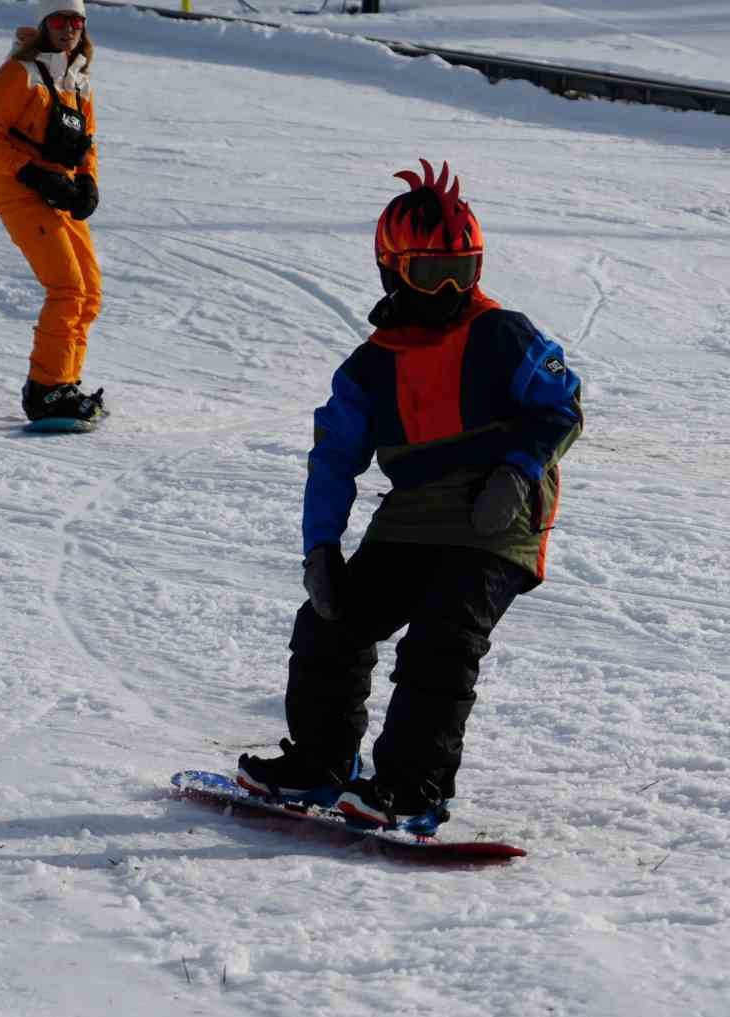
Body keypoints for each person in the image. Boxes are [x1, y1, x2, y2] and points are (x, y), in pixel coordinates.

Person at [237, 160, 584, 834]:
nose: (451, 288)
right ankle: (320, 762)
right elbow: (333, 457)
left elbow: (562, 406)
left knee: (441, 637)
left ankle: (411, 785)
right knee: (331, 621)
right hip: (416, 511)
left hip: (498, 511)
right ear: (393, 271)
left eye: (466, 269)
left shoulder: (502, 334)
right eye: (431, 273)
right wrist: (320, 550)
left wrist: (516, 470)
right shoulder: (371, 366)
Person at [0, 0, 105, 424]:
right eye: (61, 20)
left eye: (77, 22)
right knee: (66, 288)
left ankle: (64, 382)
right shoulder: (18, 74)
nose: (69, 29)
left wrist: (87, 181)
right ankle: (45, 390)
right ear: (45, 24)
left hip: (60, 195)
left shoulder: (78, 78)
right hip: (23, 194)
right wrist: (29, 172)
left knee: (89, 293)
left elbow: (88, 142)